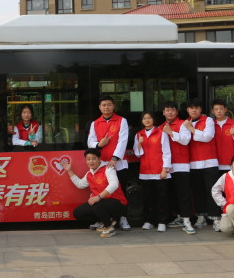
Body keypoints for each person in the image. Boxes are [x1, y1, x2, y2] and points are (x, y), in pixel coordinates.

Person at [87, 95, 131, 230]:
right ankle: (103, 219)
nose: (106, 107)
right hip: (101, 164)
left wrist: (115, 158)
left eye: (109, 104)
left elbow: (123, 141)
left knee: (121, 192)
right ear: (99, 107)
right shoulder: (95, 123)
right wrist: (99, 144)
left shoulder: (121, 121)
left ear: (113, 106)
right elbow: (90, 142)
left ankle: (123, 218)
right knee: (101, 191)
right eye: (104, 105)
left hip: (118, 163)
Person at [64, 148, 127, 238]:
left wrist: (98, 197)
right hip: (101, 203)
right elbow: (80, 184)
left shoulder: (108, 169)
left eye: (94, 158)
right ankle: (105, 221)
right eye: (88, 159)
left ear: (99, 159)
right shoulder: (89, 174)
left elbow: (114, 184)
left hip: (117, 203)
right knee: (78, 212)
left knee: (97, 205)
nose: (91, 161)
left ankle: (109, 228)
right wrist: (69, 170)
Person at [183, 99, 221, 231]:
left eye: (197, 108)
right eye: (191, 108)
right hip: (193, 163)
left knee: (212, 191)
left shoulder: (208, 120)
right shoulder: (185, 123)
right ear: (187, 110)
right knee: (198, 192)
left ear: (201, 110)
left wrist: (191, 129)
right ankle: (201, 217)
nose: (194, 110)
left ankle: (216, 218)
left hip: (210, 161)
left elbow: (207, 137)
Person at [160, 101, 196, 235]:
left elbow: (185, 140)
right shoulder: (160, 127)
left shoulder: (183, 124)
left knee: (183, 194)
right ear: (163, 112)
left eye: (172, 110)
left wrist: (170, 133)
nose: (170, 112)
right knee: (171, 194)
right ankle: (179, 217)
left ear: (176, 112)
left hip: (181, 164)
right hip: (166, 166)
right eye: (167, 110)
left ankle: (187, 220)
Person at [133, 111, 171, 232]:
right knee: (148, 198)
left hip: (159, 171)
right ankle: (149, 221)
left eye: (149, 118)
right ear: (142, 121)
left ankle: (162, 221)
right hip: (145, 172)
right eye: (144, 118)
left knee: (162, 198)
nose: (147, 120)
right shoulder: (139, 134)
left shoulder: (161, 133)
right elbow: (138, 154)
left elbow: (166, 152)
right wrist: (140, 143)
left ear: (153, 120)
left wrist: (165, 169)